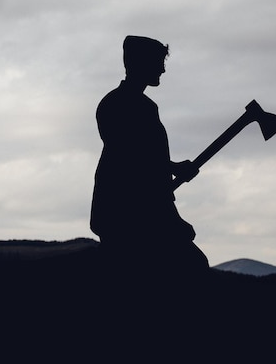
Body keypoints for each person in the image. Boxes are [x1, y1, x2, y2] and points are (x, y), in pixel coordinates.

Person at [90, 35, 209, 282]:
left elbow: (139, 156)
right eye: (158, 62)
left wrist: (171, 168)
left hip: (135, 208)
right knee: (191, 266)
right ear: (141, 63)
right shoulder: (122, 105)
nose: (163, 69)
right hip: (130, 211)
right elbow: (128, 158)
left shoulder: (133, 104)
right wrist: (172, 169)